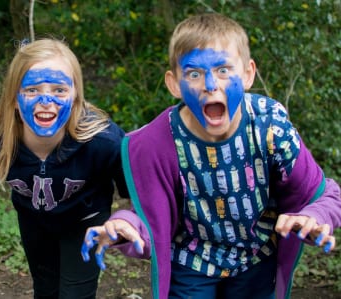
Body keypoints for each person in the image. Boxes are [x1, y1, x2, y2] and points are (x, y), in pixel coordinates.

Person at [81, 13, 341, 299]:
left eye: (223, 70)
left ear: (248, 74)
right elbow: (154, 217)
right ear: (174, 84)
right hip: (191, 262)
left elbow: (324, 193)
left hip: (255, 259)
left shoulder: (270, 128)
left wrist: (315, 216)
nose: (210, 84)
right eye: (194, 74)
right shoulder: (158, 143)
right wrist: (125, 225)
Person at [0, 38, 129, 299]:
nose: (46, 100)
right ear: (15, 99)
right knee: (45, 289)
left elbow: (134, 189)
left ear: (75, 96)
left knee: (76, 294)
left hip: (85, 223)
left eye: (59, 90)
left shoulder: (102, 141)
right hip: (34, 222)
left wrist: (127, 221)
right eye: (32, 90)